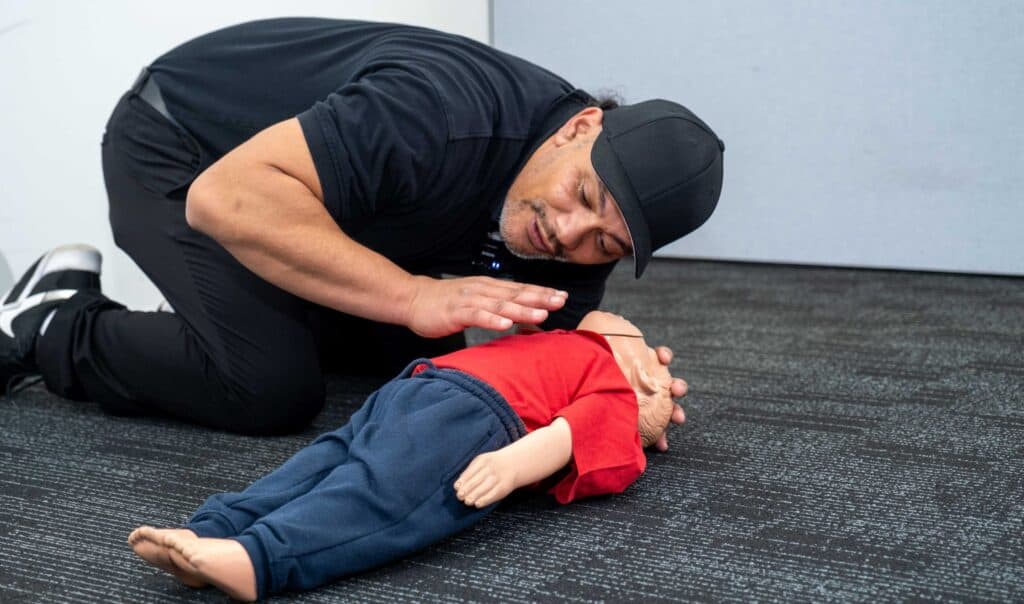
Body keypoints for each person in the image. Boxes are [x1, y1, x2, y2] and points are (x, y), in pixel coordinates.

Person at [0, 18, 723, 435]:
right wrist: (411, 297)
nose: (569, 234)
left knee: (399, 373)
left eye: (608, 243)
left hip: (321, 203)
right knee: (268, 389)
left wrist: (612, 351)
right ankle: (52, 322)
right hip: (188, 149)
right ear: (581, 127)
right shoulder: (441, 115)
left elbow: (552, 333)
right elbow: (226, 199)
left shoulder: (583, 222)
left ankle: (214, 312)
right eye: (582, 196)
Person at [128, 310, 687, 600]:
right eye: (664, 376)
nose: (670, 380)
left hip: (442, 397)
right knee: (351, 476)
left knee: (355, 482)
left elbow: (572, 433)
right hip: (452, 400)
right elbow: (575, 423)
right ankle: (218, 534)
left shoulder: (593, 372)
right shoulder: (595, 362)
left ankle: (250, 553)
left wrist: (512, 464)